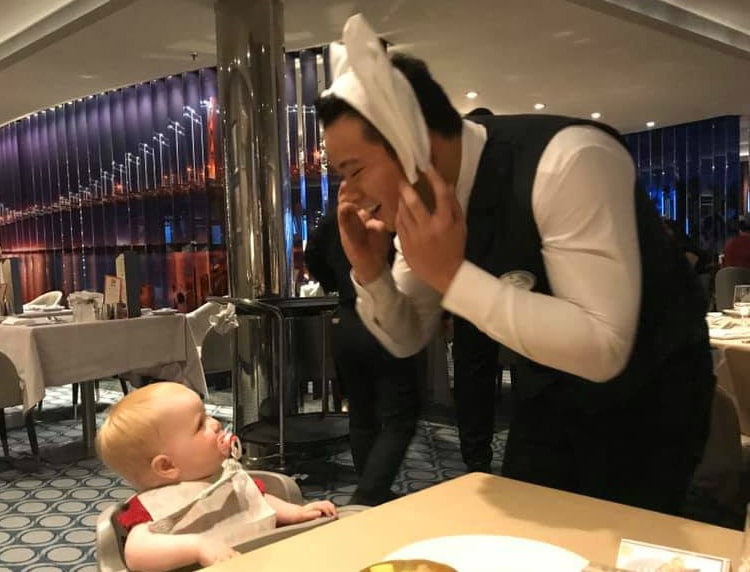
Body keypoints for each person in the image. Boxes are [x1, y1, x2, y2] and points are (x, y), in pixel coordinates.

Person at [314, 14, 714, 515]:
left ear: (411, 141)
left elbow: (604, 348)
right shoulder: (427, 203)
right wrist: (371, 274)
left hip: (654, 400)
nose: (348, 196)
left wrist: (453, 278)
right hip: (546, 396)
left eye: (354, 171)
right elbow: (407, 335)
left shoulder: (568, 162)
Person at [96, 382, 336, 571]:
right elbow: (136, 554)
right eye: (200, 425)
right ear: (167, 466)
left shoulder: (228, 476)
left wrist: (295, 513)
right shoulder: (152, 509)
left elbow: (255, 500)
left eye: (208, 415)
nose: (215, 424)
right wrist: (197, 547)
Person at [305, 210, 425, 505]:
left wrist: (338, 283)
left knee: (361, 413)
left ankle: (371, 489)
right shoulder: (394, 211)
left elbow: (313, 256)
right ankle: (370, 493)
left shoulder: (338, 215)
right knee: (400, 416)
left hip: (346, 317)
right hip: (388, 314)